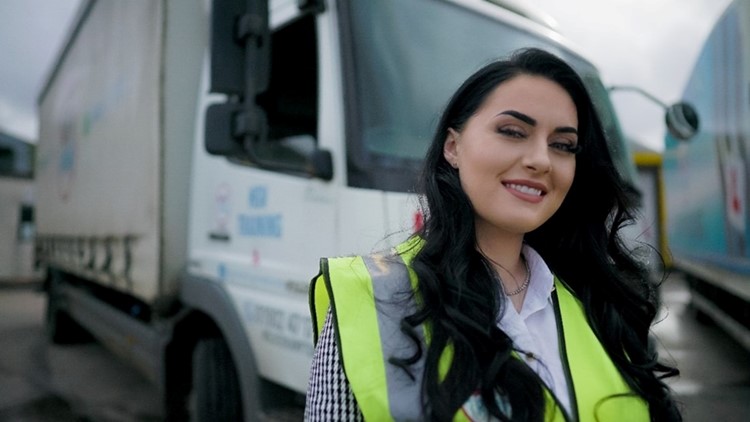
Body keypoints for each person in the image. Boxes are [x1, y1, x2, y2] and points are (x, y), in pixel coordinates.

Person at [305, 47, 681, 421]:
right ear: (453, 146)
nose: (541, 159)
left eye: (563, 145)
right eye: (513, 132)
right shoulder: (373, 304)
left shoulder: (605, 303)